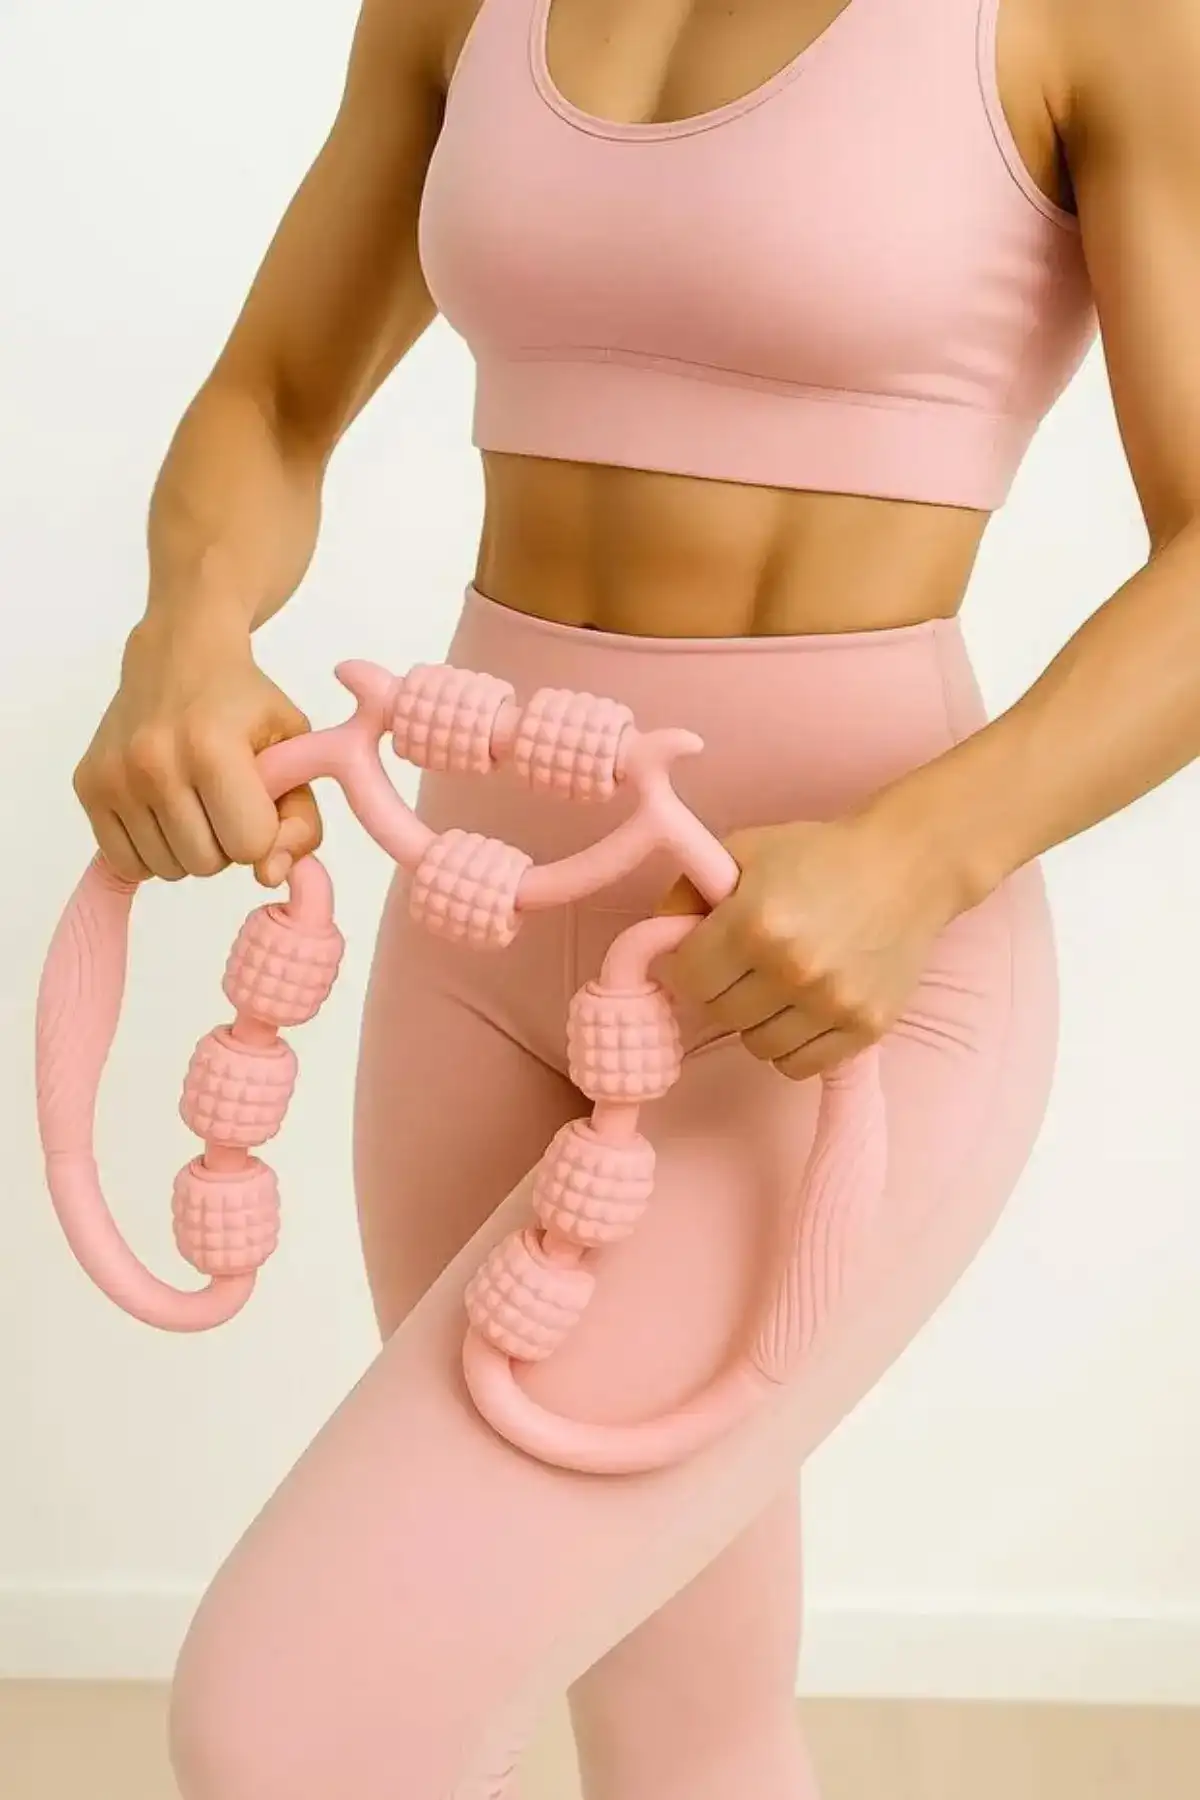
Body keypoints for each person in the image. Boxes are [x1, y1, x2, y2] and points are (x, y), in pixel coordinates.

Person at [72, 1, 1200, 1795]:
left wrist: (925, 854)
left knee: (296, 1723)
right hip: (478, 914)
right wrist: (188, 636)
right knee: (682, 1722)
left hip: (823, 980)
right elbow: (275, 396)